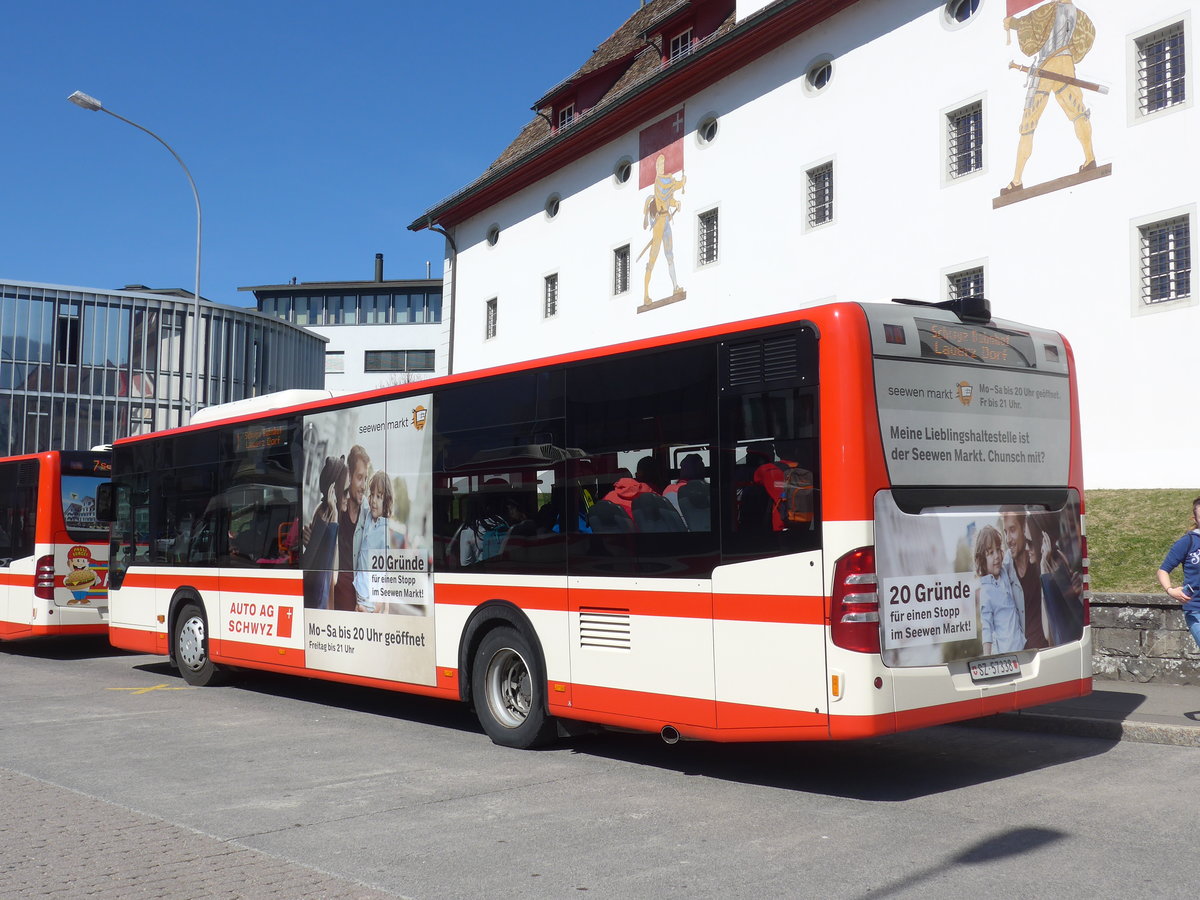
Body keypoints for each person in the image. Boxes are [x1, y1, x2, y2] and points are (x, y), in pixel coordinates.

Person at [1001, 0, 1097, 194]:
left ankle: (1017, 180)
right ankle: (1090, 159)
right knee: (1078, 112)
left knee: (1029, 122)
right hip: (1067, 63)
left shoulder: (1050, 8)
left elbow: (1030, 23)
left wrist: (1012, 23)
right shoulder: (1082, 17)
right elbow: (1089, 36)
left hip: (1048, 64)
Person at [1000, 506, 1049, 649]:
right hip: (1020, 655)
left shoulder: (1038, 559)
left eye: (1013, 530)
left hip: (1046, 650)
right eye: (1005, 532)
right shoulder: (1005, 571)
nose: (1008, 539)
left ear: (1024, 528)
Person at [302, 456, 347, 609]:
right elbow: (324, 567)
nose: (347, 497)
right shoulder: (325, 515)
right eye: (345, 491)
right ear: (333, 491)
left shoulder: (330, 515)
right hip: (318, 601)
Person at [641, 153, 686, 305]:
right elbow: (667, 190)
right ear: (656, 168)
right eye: (659, 165)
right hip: (659, 224)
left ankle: (675, 286)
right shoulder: (658, 182)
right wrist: (680, 183)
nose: (661, 167)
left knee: (669, 255)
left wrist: (676, 203)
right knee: (652, 259)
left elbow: (668, 199)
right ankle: (646, 294)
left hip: (666, 221)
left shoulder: (665, 181)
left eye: (663, 164)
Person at [975, 524, 1025, 655]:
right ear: (981, 559)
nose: (997, 556)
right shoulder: (986, 592)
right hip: (1007, 653)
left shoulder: (1004, 571)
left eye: (998, 549)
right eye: (990, 553)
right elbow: (986, 628)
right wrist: (987, 657)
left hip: (1023, 644)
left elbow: (1011, 552)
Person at [1157, 497, 1200, 649]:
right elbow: (1163, 570)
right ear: (1195, 518)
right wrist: (1170, 590)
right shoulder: (1188, 541)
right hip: (1196, 609)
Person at [333, 445, 370, 611]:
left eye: (366, 479)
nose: (363, 485)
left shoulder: (369, 517)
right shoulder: (337, 509)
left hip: (359, 603)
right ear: (350, 476)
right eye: (359, 477)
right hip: (337, 599)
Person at [353, 470, 393, 613]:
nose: (373, 501)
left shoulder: (384, 530)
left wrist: (380, 605)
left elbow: (385, 573)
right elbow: (362, 499)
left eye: (379, 497)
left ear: (387, 501)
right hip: (360, 589)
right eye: (372, 495)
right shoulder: (369, 515)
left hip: (371, 597)